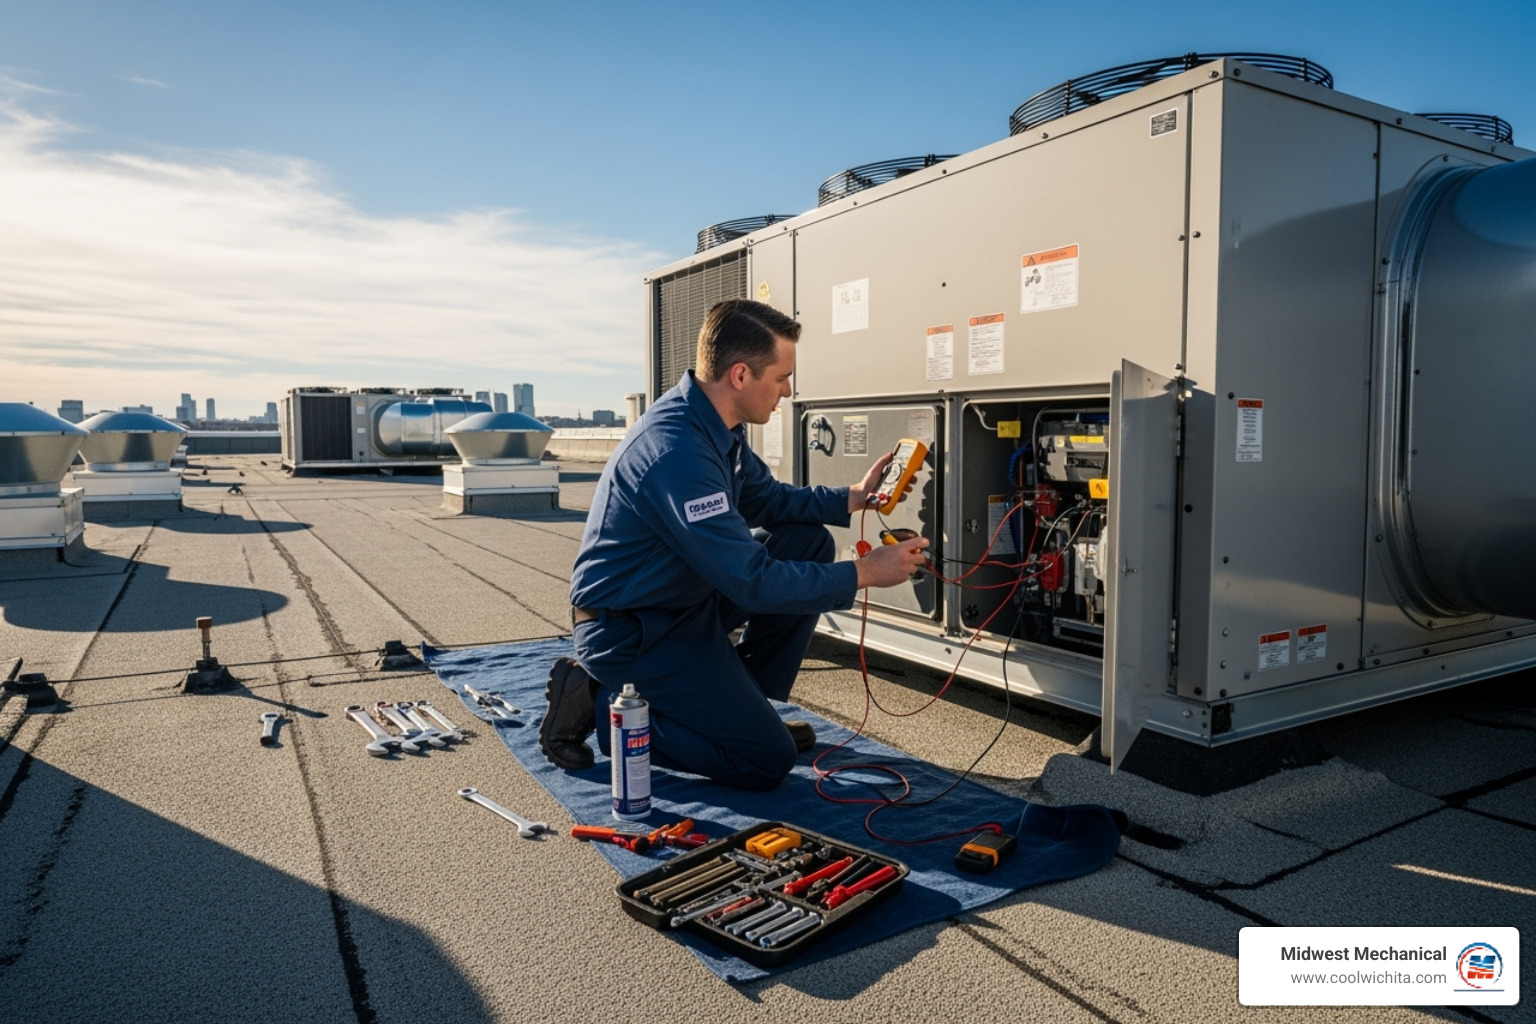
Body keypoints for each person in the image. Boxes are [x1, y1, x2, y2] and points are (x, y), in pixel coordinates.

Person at [545, 298, 929, 790]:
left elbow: (766, 500)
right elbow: (752, 582)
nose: (788, 391)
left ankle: (746, 708)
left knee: (804, 542)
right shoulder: (677, 452)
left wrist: (853, 498)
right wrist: (866, 572)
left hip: (681, 601)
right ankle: (598, 702)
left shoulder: (716, 425)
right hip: (634, 631)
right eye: (782, 377)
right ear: (741, 376)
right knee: (766, 760)